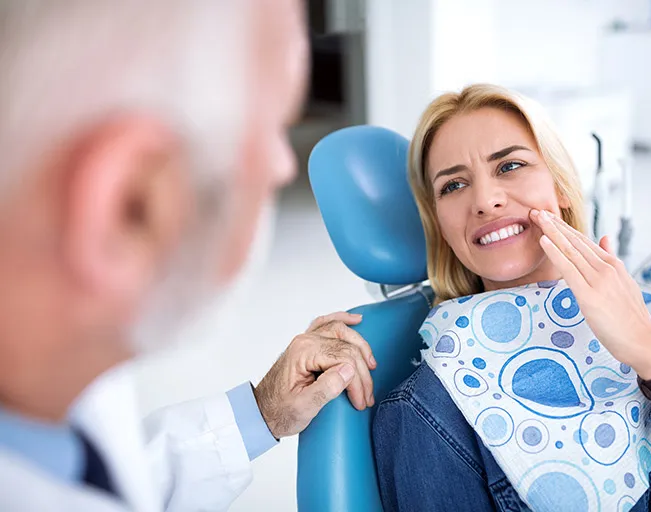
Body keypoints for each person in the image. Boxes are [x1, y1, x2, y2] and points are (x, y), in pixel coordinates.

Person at [0, 1, 376, 510]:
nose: (284, 166)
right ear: (131, 207)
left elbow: (131, 482)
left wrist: (262, 411)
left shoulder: (52, 391)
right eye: (273, 129)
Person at [372, 84, 651, 511]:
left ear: (561, 188)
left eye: (509, 165)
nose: (485, 201)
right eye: (453, 186)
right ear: (441, 226)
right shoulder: (425, 412)